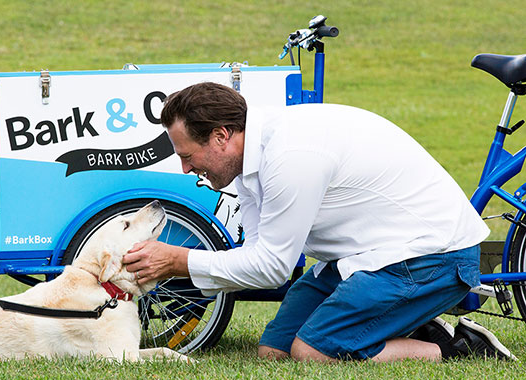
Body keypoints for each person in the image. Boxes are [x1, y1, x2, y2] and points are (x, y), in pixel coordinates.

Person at [123, 82, 515, 362]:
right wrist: (185, 266)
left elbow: (272, 268)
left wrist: (179, 261)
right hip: (369, 256)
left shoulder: (291, 156)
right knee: (274, 352)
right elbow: (260, 256)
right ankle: (414, 328)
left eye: (188, 155)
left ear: (222, 136)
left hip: (431, 256)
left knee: (312, 352)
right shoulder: (249, 161)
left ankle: (457, 347)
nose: (186, 167)